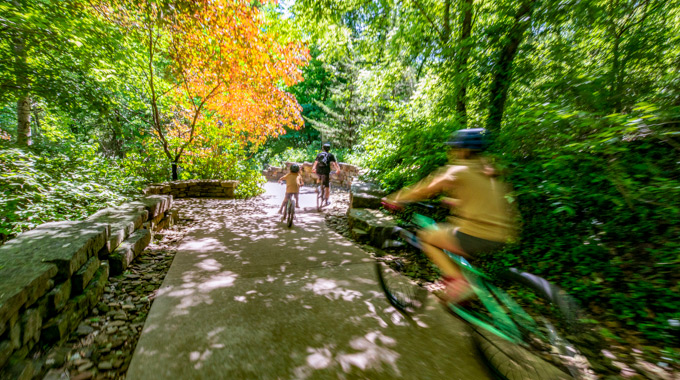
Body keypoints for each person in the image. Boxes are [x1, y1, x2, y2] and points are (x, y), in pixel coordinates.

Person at [383, 128, 518, 304]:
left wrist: (396, 198)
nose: (452, 152)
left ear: (463, 150)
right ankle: (463, 296)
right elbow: (486, 199)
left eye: (454, 148)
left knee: (427, 237)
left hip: (475, 233)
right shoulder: (489, 171)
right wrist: (456, 202)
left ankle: (459, 282)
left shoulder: (459, 169)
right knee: (455, 245)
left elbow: (425, 188)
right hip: (501, 235)